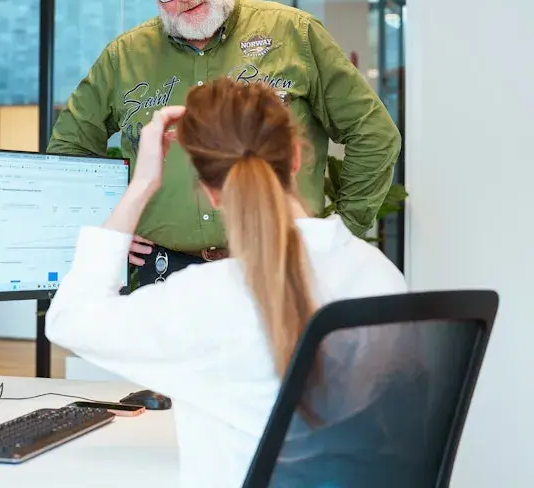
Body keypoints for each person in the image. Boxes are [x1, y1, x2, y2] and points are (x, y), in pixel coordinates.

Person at [45, 78, 407, 488]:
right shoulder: (376, 273)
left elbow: (69, 319)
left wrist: (142, 185)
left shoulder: (209, 297)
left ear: (210, 193)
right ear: (296, 158)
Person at [47, 0, 401, 287]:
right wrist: (113, 221)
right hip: (165, 278)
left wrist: (341, 231)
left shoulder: (295, 34)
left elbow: (373, 133)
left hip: (278, 268)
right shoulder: (124, 57)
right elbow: (69, 150)